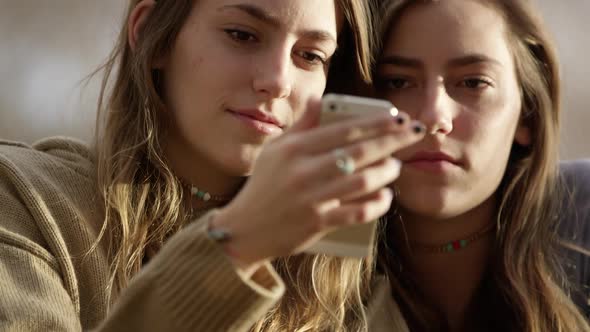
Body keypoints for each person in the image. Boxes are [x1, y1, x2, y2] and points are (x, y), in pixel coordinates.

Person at [0, 0, 427, 331]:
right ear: (152, 34)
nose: (278, 80)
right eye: (242, 35)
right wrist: (238, 244)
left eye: (310, 56)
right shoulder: (27, 202)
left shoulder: (344, 282)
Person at [370, 0, 590, 331]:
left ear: (527, 114)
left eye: (473, 83)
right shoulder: (296, 261)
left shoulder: (582, 220)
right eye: (398, 82)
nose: (433, 117)